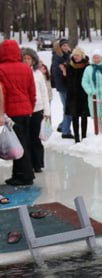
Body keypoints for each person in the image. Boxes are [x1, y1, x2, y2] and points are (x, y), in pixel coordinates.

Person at [0, 39, 36, 186]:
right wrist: (31, 107)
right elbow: (31, 90)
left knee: (16, 144)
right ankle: (18, 173)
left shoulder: (1, 69)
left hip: (10, 112)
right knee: (22, 142)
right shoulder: (25, 68)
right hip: (25, 110)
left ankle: (26, 175)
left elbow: (1, 93)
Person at [21, 48, 50, 174]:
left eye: (29, 59)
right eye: (24, 58)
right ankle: (28, 164)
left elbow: (44, 93)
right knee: (26, 138)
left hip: (37, 109)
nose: (27, 61)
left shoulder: (38, 74)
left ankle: (38, 163)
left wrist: (47, 111)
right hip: (24, 109)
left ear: (33, 60)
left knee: (36, 138)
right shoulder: (20, 72)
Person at [81, 48, 102, 136]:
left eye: (98, 57)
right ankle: (99, 138)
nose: (96, 59)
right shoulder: (88, 69)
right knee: (97, 119)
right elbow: (85, 81)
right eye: (94, 57)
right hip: (94, 97)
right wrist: (90, 91)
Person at [65, 47, 90, 143]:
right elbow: (66, 81)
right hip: (73, 94)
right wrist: (64, 74)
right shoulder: (69, 66)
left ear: (82, 56)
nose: (75, 57)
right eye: (74, 55)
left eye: (77, 55)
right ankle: (76, 137)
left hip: (83, 94)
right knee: (74, 116)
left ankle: (84, 137)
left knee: (84, 116)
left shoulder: (87, 66)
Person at [50, 38, 74, 139]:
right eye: (63, 46)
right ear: (59, 47)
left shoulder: (67, 56)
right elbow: (57, 73)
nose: (66, 47)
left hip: (67, 85)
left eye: (67, 45)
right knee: (68, 108)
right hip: (64, 86)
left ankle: (62, 126)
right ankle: (66, 131)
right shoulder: (58, 58)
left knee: (68, 108)